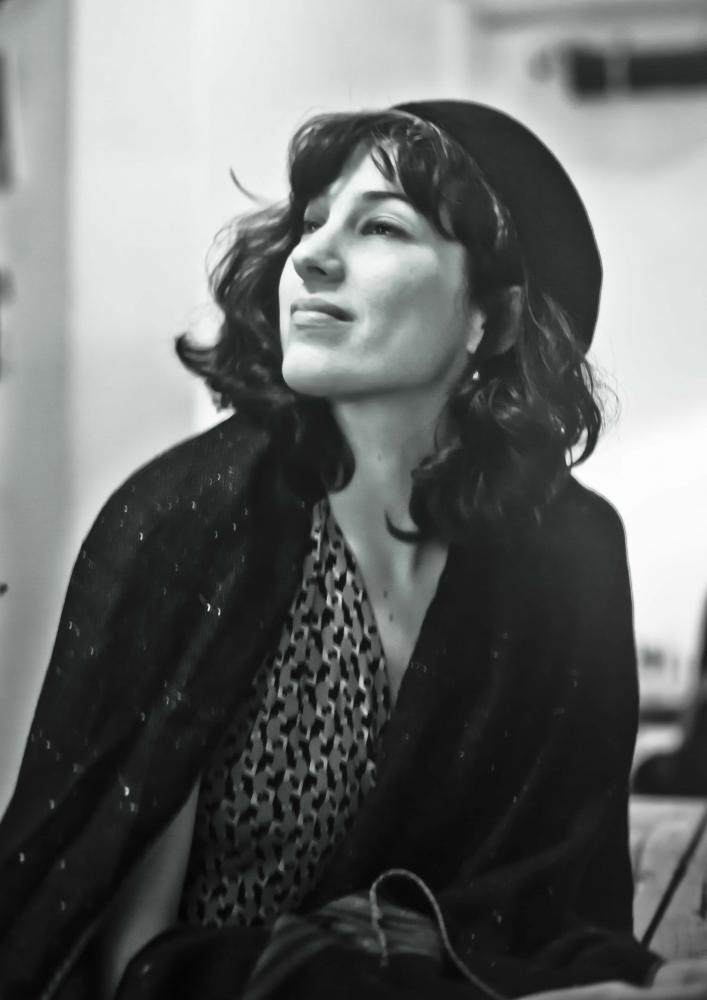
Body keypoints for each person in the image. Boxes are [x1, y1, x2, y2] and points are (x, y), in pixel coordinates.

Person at [1, 100, 706, 1000]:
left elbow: (560, 909)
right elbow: (122, 963)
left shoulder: (568, 552)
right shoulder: (191, 523)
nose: (310, 256)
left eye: (380, 227)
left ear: (492, 318)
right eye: (310, 221)